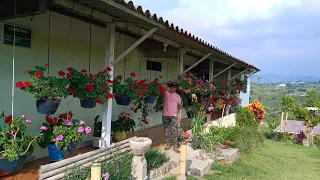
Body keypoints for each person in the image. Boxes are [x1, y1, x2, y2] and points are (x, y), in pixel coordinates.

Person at [162, 81, 182, 152]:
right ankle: (168, 144)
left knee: (174, 131)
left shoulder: (178, 96)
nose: (173, 88)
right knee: (167, 131)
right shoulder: (166, 93)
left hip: (174, 116)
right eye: (171, 86)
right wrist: (167, 83)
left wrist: (180, 116)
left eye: (174, 87)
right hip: (165, 115)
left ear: (176, 88)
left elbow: (179, 107)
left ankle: (175, 146)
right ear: (169, 87)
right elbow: (162, 86)